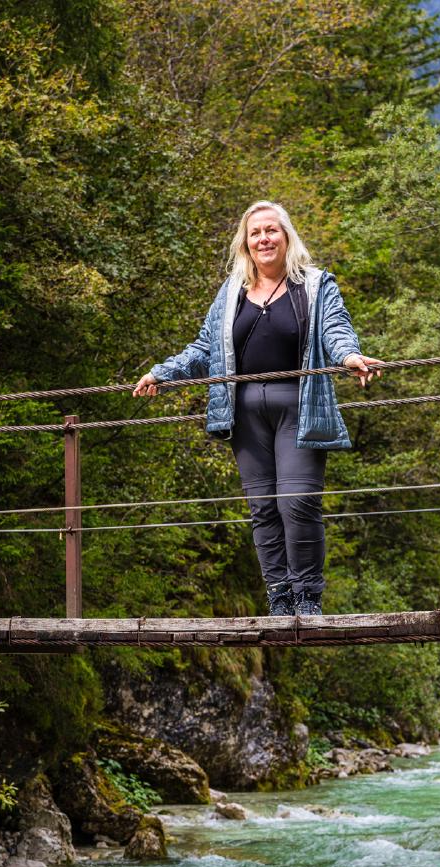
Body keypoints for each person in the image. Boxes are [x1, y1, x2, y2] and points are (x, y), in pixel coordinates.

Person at [133, 200, 382, 617]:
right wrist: (163, 373)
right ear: (245, 243)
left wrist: (349, 356)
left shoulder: (316, 285)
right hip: (244, 412)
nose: (264, 238)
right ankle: (280, 598)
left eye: (271, 230)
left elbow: (335, 330)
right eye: (255, 233)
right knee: (263, 508)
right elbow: (204, 348)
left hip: (299, 408)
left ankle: (307, 597)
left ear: (286, 237)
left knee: (297, 502)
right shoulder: (231, 292)